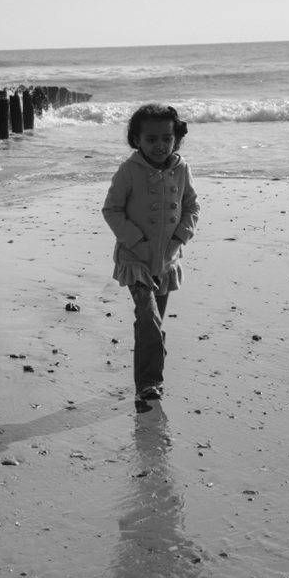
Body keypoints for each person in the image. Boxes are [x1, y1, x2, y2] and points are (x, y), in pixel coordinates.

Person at [102, 104, 200, 402]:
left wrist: (178, 241)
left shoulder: (181, 168)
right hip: (136, 260)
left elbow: (192, 207)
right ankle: (149, 383)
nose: (160, 145)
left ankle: (145, 377)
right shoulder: (129, 171)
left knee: (151, 323)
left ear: (175, 139)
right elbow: (112, 209)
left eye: (166, 138)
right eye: (151, 139)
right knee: (149, 320)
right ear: (136, 140)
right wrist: (137, 242)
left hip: (167, 262)